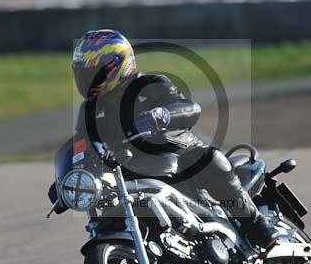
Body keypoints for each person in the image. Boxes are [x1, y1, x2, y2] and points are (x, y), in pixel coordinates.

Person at [71, 29, 279, 249]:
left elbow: (190, 108)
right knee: (109, 214)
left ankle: (255, 223)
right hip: (131, 174)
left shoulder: (151, 84)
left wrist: (164, 115)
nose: (88, 80)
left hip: (179, 155)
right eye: (83, 73)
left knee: (210, 159)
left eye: (95, 73)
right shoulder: (89, 111)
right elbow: (81, 145)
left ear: (119, 65)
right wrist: (67, 176)